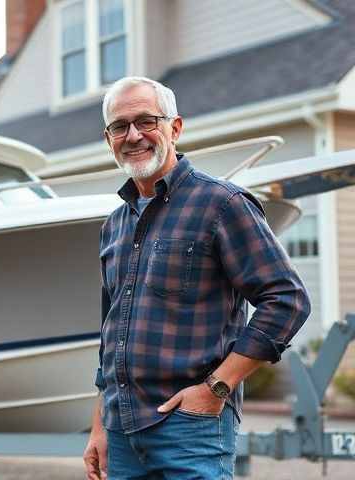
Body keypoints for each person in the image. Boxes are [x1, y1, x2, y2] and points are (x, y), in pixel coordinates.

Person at [83, 76, 311, 480]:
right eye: (120, 126)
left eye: (146, 121)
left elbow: (287, 299)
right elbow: (110, 335)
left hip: (190, 429)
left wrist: (216, 389)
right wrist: (99, 426)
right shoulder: (114, 225)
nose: (133, 135)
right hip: (120, 433)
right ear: (108, 138)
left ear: (175, 127)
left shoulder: (223, 204)